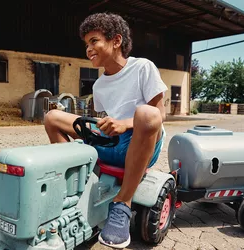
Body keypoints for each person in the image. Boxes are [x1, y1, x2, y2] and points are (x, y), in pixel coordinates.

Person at [44, 12, 167, 248]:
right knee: (52, 117)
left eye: (94, 41)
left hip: (142, 139)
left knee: (146, 113)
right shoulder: (99, 85)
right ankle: (76, 184)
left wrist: (125, 123)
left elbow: (160, 115)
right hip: (113, 142)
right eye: (86, 44)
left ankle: (122, 204)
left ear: (116, 40)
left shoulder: (143, 67)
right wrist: (107, 127)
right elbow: (105, 119)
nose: (88, 49)